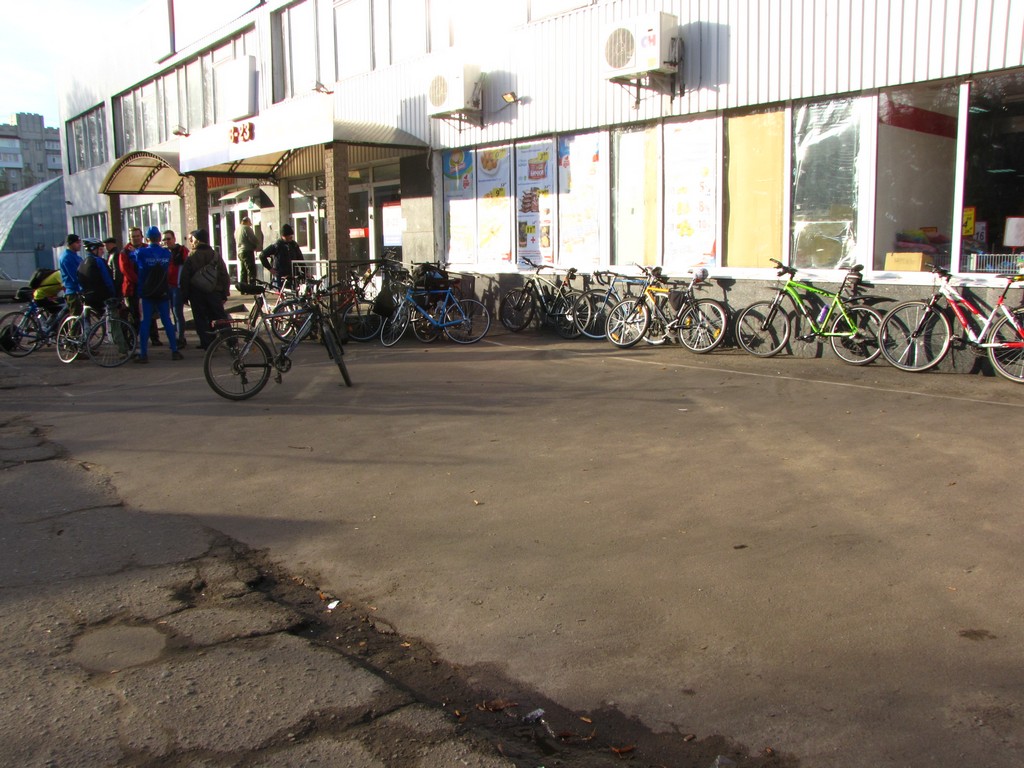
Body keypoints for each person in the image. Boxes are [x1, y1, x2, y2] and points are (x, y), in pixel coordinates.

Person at [132, 225, 182, 363]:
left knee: (145, 322)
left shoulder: (141, 253)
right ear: (160, 238)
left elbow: (132, 258)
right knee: (167, 321)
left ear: (147, 239)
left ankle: (143, 354)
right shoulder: (166, 254)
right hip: (162, 292)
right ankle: (174, 350)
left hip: (146, 293)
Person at [181, 228, 230, 350]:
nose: (191, 242)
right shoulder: (215, 254)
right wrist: (224, 293)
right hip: (215, 292)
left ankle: (207, 343)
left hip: (196, 293)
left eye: (192, 239)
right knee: (219, 317)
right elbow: (224, 274)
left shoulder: (192, 255)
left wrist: (184, 295)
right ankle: (231, 340)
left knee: (201, 319)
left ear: (197, 240)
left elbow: (185, 277)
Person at [120, 227, 162, 346]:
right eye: (133, 236)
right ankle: (133, 339)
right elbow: (126, 270)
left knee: (150, 314)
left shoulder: (147, 248)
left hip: (148, 288)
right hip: (132, 289)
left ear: (142, 236)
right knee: (134, 315)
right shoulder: (124, 252)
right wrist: (140, 281)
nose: (136, 238)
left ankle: (154, 338)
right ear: (130, 238)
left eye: (138, 236)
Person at [163, 230, 189, 348]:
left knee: (177, 313)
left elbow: (187, 267)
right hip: (166, 287)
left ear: (174, 239)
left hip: (177, 287)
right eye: (164, 239)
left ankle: (180, 338)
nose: (166, 241)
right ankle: (176, 337)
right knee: (171, 314)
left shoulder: (182, 250)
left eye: (168, 239)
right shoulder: (163, 252)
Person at [77, 238, 116, 311]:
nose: (103, 252)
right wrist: (113, 294)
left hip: (87, 297)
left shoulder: (82, 263)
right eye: (101, 249)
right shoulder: (99, 261)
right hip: (100, 297)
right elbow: (107, 280)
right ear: (94, 249)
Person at [259, 223, 302, 288]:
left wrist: (305, 271)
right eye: (288, 235)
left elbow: (300, 258)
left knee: (293, 291)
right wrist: (270, 269)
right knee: (281, 291)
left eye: (291, 235)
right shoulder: (277, 245)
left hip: (292, 274)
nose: (291, 237)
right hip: (280, 275)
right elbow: (262, 255)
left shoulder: (294, 245)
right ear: (283, 236)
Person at [58, 234, 84, 316]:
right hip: (73, 292)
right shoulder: (67, 257)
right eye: (77, 242)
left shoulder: (75, 256)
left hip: (78, 291)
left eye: (79, 242)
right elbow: (75, 276)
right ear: (70, 244)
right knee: (76, 318)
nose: (80, 244)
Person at [235, 215, 259, 285]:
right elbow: (253, 239)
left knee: (243, 270)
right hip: (247, 251)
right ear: (247, 222)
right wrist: (257, 244)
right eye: (249, 223)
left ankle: (243, 286)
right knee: (251, 270)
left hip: (240, 252)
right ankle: (252, 286)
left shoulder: (237, 229)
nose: (250, 225)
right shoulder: (247, 228)